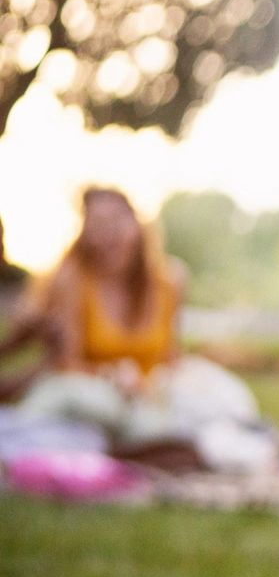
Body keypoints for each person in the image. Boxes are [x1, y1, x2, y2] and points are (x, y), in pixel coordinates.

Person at [3, 187, 263, 450]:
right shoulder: (72, 281)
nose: (108, 234)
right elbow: (66, 363)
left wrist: (149, 384)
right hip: (89, 392)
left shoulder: (171, 280)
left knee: (211, 400)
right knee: (99, 406)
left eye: (116, 221)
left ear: (137, 225)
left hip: (146, 395)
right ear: (85, 232)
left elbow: (169, 355)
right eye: (97, 225)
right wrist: (112, 375)